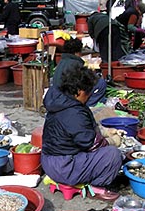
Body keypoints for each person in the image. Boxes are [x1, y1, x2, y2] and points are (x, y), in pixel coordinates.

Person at [41, 66, 123, 201]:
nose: (90, 95)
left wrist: (105, 131)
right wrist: (112, 141)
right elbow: (91, 143)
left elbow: (83, 129)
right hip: (63, 167)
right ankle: (96, 188)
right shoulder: (73, 112)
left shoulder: (61, 100)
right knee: (113, 155)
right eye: (88, 92)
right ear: (79, 91)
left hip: (48, 161)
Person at [51, 38, 107, 107]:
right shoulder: (75, 63)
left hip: (58, 95)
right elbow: (84, 82)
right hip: (68, 96)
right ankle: (90, 106)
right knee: (101, 83)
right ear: (77, 52)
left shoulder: (62, 61)